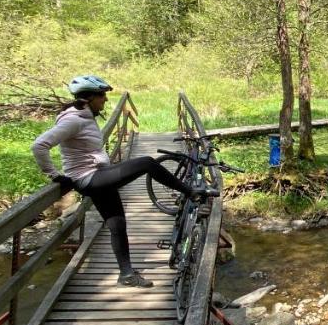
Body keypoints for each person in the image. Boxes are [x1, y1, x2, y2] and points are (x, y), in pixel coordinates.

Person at [32, 75, 202, 288]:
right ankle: (191, 192)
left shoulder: (84, 115)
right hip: (90, 179)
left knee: (117, 225)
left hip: (98, 177)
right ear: (88, 98)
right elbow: (39, 145)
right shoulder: (73, 120)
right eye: (102, 95)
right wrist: (54, 175)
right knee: (147, 163)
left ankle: (127, 275)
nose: (105, 99)